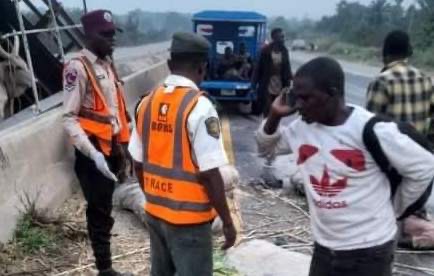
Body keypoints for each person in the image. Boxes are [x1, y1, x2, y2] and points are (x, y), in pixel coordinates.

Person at [256, 57, 434, 276]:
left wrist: (397, 208)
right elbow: (266, 150)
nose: (298, 105)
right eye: (296, 97)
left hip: (370, 252)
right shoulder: (301, 128)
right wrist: (274, 115)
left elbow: (425, 167)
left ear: (332, 94)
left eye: (306, 98)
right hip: (324, 249)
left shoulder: (370, 130)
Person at [128, 32, 237, 276]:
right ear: (202, 67)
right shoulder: (199, 107)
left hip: (155, 213)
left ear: (169, 64)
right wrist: (228, 223)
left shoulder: (146, 103)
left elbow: (137, 163)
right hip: (189, 221)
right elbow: (209, 174)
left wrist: (155, 198)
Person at [62, 10, 133, 276]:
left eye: (114, 34)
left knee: (106, 206)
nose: (112, 40)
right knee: (99, 211)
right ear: (87, 35)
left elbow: (116, 112)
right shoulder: (77, 67)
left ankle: (106, 266)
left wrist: (125, 149)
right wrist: (93, 154)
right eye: (106, 35)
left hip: (112, 148)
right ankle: (105, 269)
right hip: (93, 152)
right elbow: (69, 118)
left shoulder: (107, 64)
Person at [367, 30, 434, 249]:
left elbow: (369, 126)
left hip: (391, 158)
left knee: (388, 208)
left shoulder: (381, 81)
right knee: (412, 204)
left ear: (385, 53)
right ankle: (413, 236)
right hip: (419, 156)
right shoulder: (426, 79)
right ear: (409, 52)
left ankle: (391, 243)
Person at [252, 27, 292, 116]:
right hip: (267, 82)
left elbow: (287, 67)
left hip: (280, 83)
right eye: (281, 37)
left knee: (278, 107)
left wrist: (289, 83)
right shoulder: (265, 51)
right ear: (274, 37)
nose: (283, 39)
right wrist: (253, 85)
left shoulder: (284, 51)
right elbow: (258, 69)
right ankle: (266, 125)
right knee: (267, 107)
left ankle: (273, 127)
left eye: (283, 37)